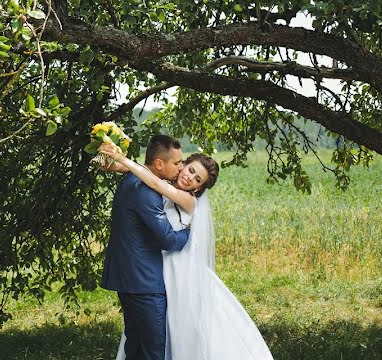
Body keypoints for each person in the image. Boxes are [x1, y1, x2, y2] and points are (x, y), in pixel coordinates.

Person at [99, 141, 274, 360]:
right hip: (162, 269)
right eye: (189, 169)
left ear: (198, 188)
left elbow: (154, 181)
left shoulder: (187, 199)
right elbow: (153, 172)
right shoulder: (170, 181)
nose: (190, 177)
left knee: (182, 328)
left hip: (181, 270)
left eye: (197, 179)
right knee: (159, 328)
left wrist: (123, 159)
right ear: (183, 166)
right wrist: (115, 166)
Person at [100, 134, 191, 360]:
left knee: (137, 345)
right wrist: (191, 232)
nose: (181, 168)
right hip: (143, 281)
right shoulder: (145, 190)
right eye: (177, 163)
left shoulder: (136, 179)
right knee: (154, 349)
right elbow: (168, 239)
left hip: (130, 276)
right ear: (159, 164)